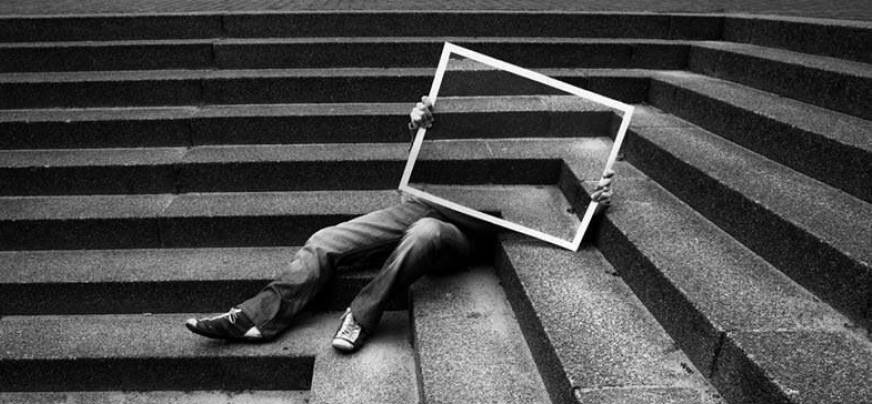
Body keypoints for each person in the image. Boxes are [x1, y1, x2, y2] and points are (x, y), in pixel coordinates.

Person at [186, 97, 615, 353]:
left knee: (425, 235)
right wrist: (418, 128)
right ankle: (255, 318)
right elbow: (427, 164)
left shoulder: (533, 143)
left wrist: (590, 202)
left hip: (466, 231)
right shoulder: (465, 116)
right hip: (422, 204)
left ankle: (361, 315)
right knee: (325, 239)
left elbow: (547, 214)